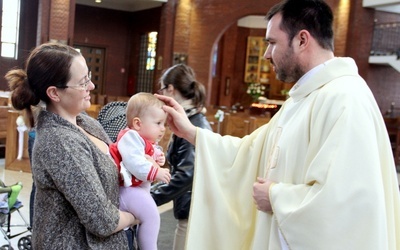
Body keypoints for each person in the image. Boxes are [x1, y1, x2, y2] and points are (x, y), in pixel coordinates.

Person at [155, 0, 400, 249]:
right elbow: (250, 151)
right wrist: (192, 132)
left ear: (302, 40)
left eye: (272, 43)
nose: (266, 54)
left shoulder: (345, 99)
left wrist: (276, 197)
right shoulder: (302, 98)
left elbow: (349, 203)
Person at [5, 42, 137, 249]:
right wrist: (137, 216)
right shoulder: (59, 142)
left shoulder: (85, 122)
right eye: (83, 82)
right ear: (54, 93)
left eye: (89, 77)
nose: (91, 86)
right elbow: (103, 221)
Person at [150, 64, 212, 250]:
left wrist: (153, 197)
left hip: (193, 211)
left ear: (170, 89)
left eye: (161, 88)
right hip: (191, 207)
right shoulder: (190, 118)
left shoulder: (193, 124)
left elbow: (187, 174)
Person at [109, 92, 171, 250]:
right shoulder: (130, 137)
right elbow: (134, 162)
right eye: (158, 123)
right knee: (151, 216)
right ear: (137, 123)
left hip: (136, 189)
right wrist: (156, 172)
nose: (163, 129)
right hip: (127, 189)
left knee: (147, 216)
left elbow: (150, 154)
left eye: (163, 124)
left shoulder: (144, 140)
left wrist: (158, 159)